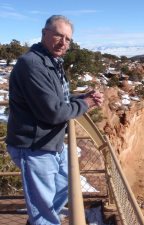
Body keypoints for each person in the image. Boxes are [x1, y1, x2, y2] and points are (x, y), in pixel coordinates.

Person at [5, 15, 104, 225]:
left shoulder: (52, 62)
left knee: (67, 184)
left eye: (68, 39)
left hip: (52, 142)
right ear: (44, 33)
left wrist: (81, 98)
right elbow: (53, 112)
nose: (63, 42)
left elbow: (58, 100)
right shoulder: (31, 64)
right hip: (34, 146)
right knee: (43, 210)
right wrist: (86, 104)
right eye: (59, 35)